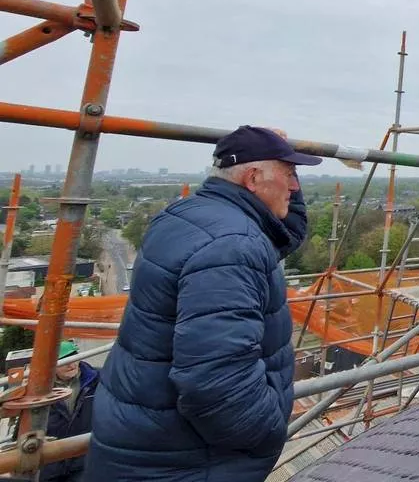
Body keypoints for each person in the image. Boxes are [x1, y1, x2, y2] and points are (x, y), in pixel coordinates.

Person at [86, 126, 319, 482]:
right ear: (253, 178)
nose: (295, 186)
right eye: (289, 174)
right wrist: (269, 429)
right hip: (185, 459)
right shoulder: (232, 244)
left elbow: (282, 231)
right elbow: (216, 381)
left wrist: (279, 152)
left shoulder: (190, 215)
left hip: (149, 437)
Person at [40, 340, 98, 482]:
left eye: (74, 358)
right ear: (51, 364)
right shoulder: (38, 390)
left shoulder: (97, 380)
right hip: (50, 464)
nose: (72, 364)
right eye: (64, 361)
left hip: (84, 459)